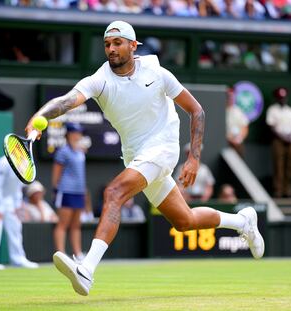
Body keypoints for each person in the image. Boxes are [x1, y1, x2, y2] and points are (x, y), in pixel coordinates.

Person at [25, 20, 264, 296]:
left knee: (114, 192)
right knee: (184, 221)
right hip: (137, 156)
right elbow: (67, 101)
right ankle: (242, 221)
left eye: (117, 43)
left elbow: (197, 111)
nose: (111, 49)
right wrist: (39, 116)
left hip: (163, 148)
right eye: (106, 44)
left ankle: (87, 270)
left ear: (132, 45)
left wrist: (194, 159)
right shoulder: (99, 80)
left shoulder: (157, 71)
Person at [0, 156, 39, 270]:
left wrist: (17, 206)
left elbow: (18, 187)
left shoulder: (26, 164)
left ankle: (18, 259)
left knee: (15, 226)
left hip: (8, 198)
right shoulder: (2, 163)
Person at [52, 122, 87, 262]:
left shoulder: (81, 152)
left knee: (76, 225)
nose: (78, 135)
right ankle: (61, 254)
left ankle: (77, 254)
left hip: (79, 192)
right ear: (69, 134)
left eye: (79, 132)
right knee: (63, 224)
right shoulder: (63, 152)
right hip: (66, 191)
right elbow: (56, 173)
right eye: (76, 132)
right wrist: (56, 189)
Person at [266, 87, 291, 198]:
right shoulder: (272, 110)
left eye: (284, 98)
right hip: (278, 141)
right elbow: (271, 127)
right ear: (277, 98)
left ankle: (288, 189)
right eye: (280, 98)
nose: (283, 100)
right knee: (278, 165)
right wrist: (283, 137)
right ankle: (278, 190)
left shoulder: (290, 110)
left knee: (289, 165)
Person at [226, 86, 249, 158]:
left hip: (238, 143)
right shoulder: (220, 110)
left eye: (232, 96)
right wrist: (229, 139)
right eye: (229, 96)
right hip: (225, 143)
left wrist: (239, 138)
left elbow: (245, 127)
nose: (231, 98)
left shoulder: (238, 111)